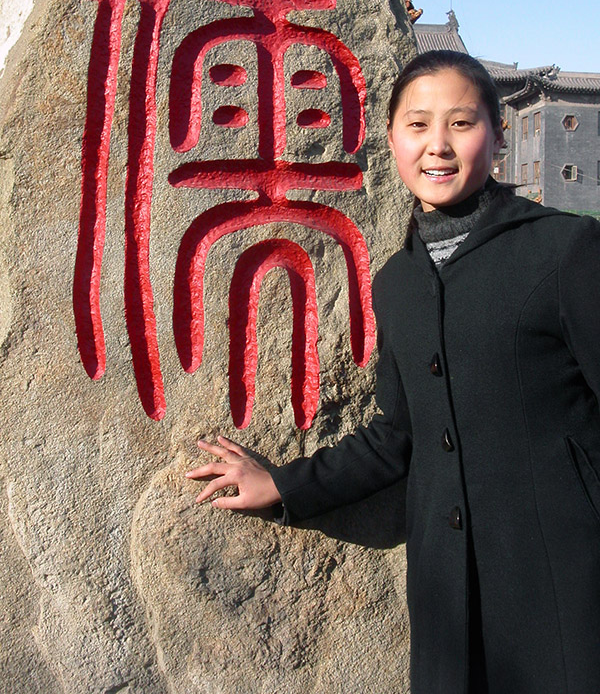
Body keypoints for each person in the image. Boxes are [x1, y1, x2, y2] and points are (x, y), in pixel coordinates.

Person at [185, 50, 600, 694]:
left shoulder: (565, 250)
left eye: (461, 124)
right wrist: (284, 485)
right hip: (447, 602)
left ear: (497, 137)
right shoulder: (398, 281)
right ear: (391, 140)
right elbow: (396, 438)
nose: (438, 146)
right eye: (418, 125)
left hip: (565, 585)